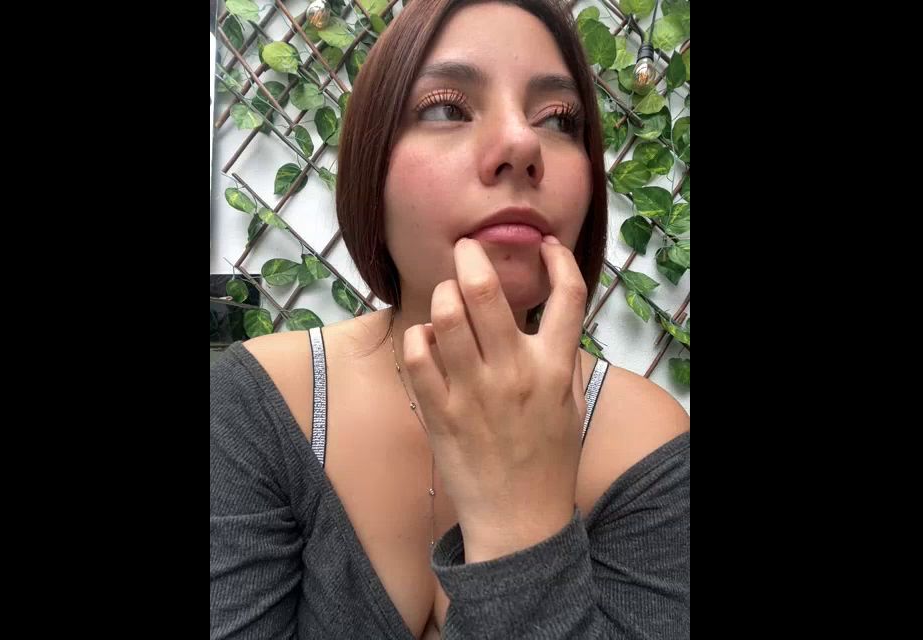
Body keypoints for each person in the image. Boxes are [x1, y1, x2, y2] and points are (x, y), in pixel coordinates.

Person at [211, 1, 690, 637]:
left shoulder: (651, 443)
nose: (522, 144)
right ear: (372, 166)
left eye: (558, 119)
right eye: (446, 109)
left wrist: (519, 520)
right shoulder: (261, 403)